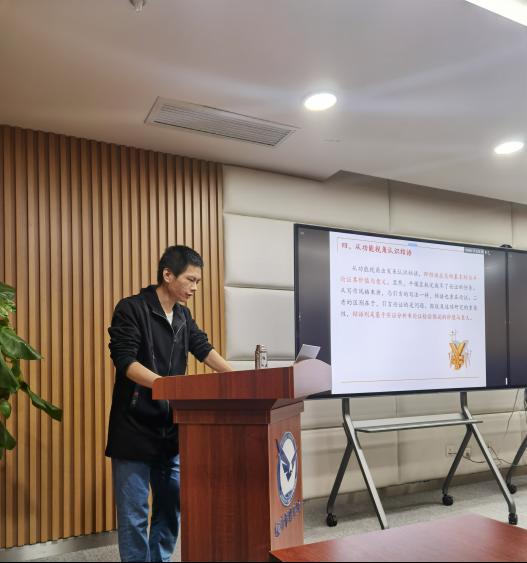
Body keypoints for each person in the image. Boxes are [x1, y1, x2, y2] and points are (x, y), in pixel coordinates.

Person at [105, 245, 232, 562]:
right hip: (133, 429)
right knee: (134, 515)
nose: (195, 287)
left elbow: (202, 347)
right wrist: (166, 386)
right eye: (191, 279)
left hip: (170, 429)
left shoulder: (183, 316)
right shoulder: (132, 309)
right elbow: (125, 360)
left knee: (170, 507)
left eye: (198, 281)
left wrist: (238, 378)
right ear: (167, 275)